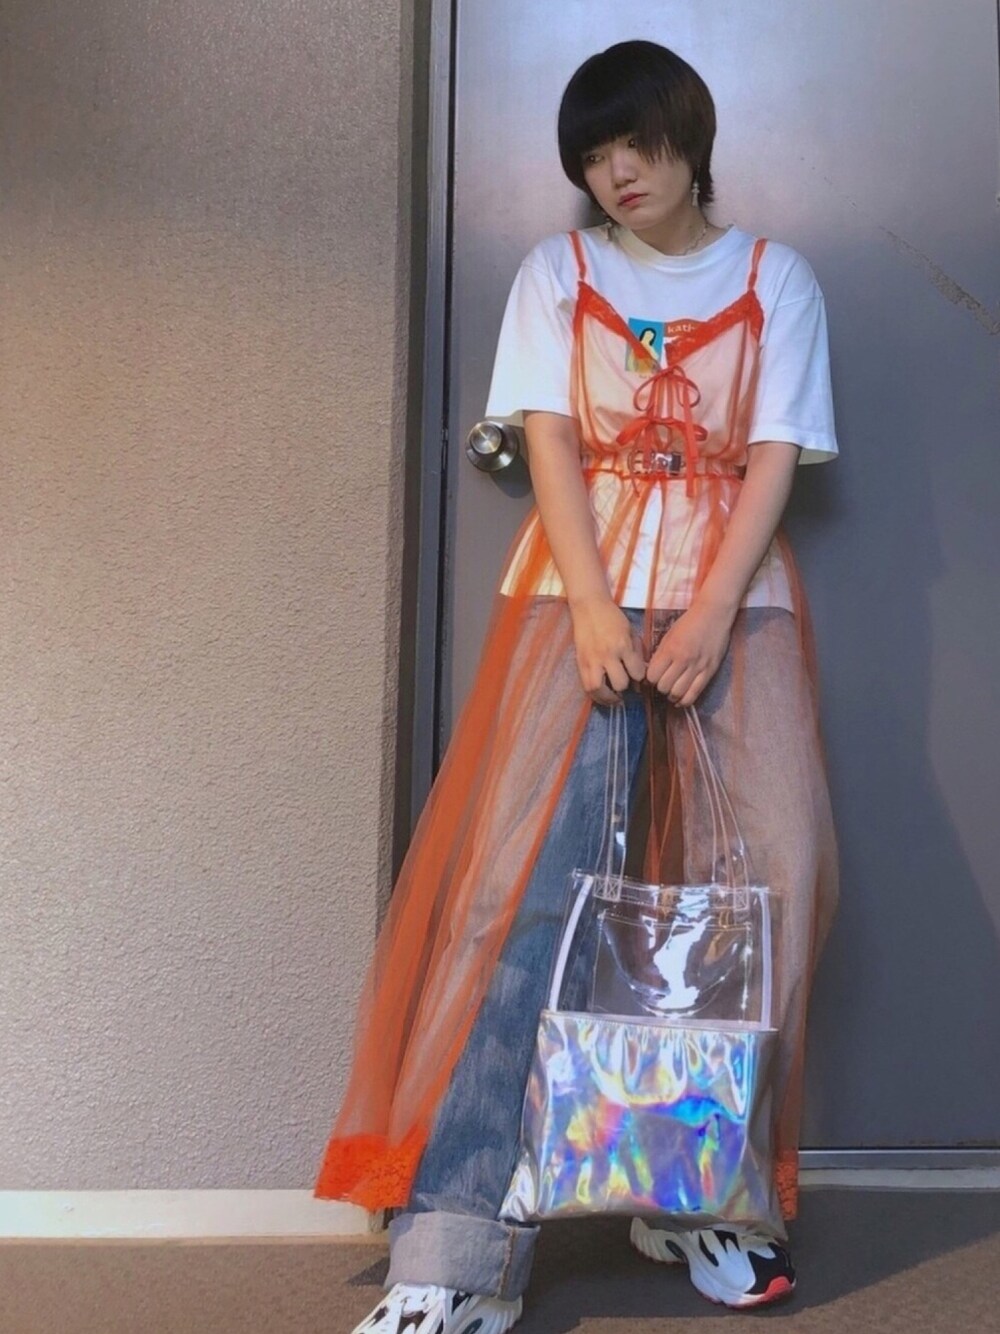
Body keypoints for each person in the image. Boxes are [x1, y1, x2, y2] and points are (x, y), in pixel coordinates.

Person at [320, 38, 840, 1333]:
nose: (618, 172)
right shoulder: (557, 272)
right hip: (577, 598)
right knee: (520, 893)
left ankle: (698, 1192)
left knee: (766, 883)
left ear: (689, 137)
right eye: (595, 154)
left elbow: (776, 452)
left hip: (736, 603)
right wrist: (601, 605)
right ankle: (457, 1249)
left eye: (637, 143)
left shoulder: (778, 278)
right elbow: (549, 437)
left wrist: (709, 611)